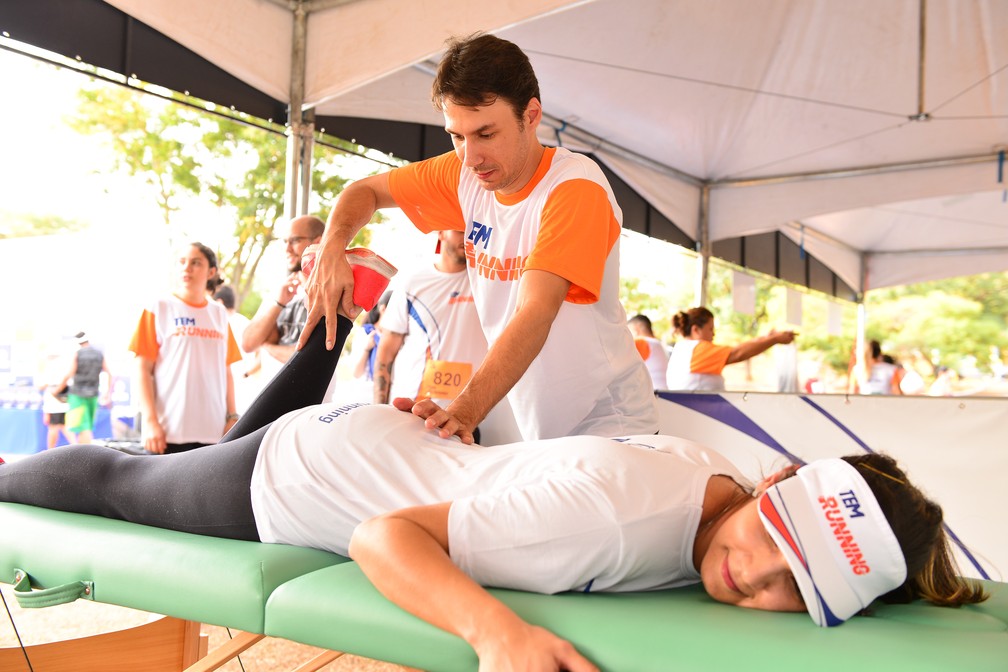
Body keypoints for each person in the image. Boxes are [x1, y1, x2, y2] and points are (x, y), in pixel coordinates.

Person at [0, 314, 986, 671]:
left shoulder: (715, 489)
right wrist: (493, 634)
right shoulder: (614, 517)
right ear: (772, 484)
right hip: (311, 479)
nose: (749, 570)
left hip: (399, 452)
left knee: (153, 463)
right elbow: (388, 539)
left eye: (791, 586)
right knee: (118, 482)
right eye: (776, 535)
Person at [301, 32, 657, 443]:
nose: (470, 156)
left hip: (611, 425)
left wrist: (462, 413)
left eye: (486, 134)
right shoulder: (464, 173)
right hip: (542, 428)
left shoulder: (575, 187)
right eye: (456, 135)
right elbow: (363, 192)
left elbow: (536, 310)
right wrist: (331, 248)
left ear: (531, 115)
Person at [129, 242, 242, 454]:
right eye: (182, 262)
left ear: (211, 272)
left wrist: (232, 415)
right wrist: (151, 422)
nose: (186, 268)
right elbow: (142, 369)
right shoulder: (159, 307)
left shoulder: (218, 313)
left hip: (214, 433)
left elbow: (226, 371)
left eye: (195, 263)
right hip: (169, 432)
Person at [374, 230, 486, 412]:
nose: (468, 237)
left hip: (462, 415)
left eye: (473, 231)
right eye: (460, 230)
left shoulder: (488, 283)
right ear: (441, 232)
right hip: (410, 408)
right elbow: (387, 350)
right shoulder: (412, 282)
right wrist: (378, 408)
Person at [242, 215, 325, 379]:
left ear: (317, 242)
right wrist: (278, 303)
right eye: (284, 242)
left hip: (312, 399)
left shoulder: (330, 289)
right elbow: (248, 343)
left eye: (294, 240)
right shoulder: (280, 289)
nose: (287, 249)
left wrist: (267, 345)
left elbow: (311, 357)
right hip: (271, 395)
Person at [666, 307, 796, 392]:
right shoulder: (698, 349)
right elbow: (738, 353)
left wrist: (766, 338)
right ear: (696, 330)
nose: (713, 334)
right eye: (710, 329)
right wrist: (774, 340)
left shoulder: (684, 349)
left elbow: (739, 349)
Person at [55, 331, 111, 444]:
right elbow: (109, 373)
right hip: (93, 394)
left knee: (80, 427)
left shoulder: (78, 354)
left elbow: (69, 374)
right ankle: (84, 453)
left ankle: (82, 455)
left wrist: (58, 390)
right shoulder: (99, 354)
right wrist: (107, 393)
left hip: (78, 396)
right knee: (87, 426)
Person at [215, 284, 259, 413]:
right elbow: (259, 356)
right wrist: (247, 374)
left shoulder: (220, 324)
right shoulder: (247, 323)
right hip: (247, 388)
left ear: (219, 302)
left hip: (229, 391)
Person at [627, 313, 668, 389]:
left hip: (652, 393)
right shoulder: (657, 344)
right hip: (660, 391)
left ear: (637, 327)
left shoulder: (642, 342)